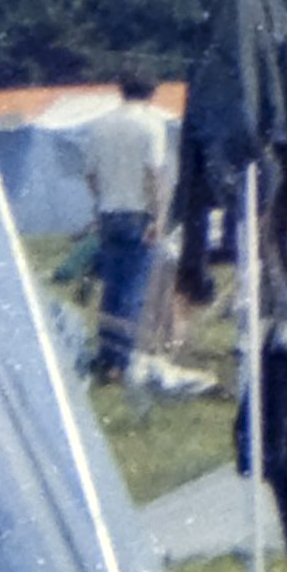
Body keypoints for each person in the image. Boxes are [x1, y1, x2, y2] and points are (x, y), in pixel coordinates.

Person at [79, 72, 171, 382]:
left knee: (111, 289)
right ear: (152, 93)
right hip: (138, 214)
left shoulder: (100, 125)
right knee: (132, 292)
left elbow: (90, 174)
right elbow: (153, 174)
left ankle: (105, 355)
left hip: (109, 212)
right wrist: (159, 217)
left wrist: (103, 200)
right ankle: (119, 361)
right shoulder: (151, 125)